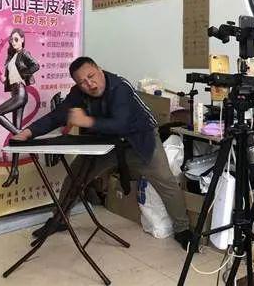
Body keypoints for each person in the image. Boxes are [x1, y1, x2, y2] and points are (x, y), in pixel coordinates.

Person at [12, 57, 192, 249]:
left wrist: (86, 121)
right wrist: (28, 132)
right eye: (82, 82)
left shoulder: (120, 87)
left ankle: (183, 229)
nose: (89, 84)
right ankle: (59, 219)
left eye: (91, 76)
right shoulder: (78, 93)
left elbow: (121, 123)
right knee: (75, 176)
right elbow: (58, 116)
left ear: (99, 69)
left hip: (140, 139)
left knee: (166, 181)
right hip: (106, 140)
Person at [0, 28, 40, 187]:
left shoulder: (24, 53)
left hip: (20, 93)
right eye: (12, 40)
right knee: (16, 138)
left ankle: (22, 135)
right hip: (14, 93)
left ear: (23, 39)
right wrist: (4, 78)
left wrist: (23, 75)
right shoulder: (12, 57)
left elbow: (36, 65)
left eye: (16, 39)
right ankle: (14, 170)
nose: (14, 42)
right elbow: (10, 75)